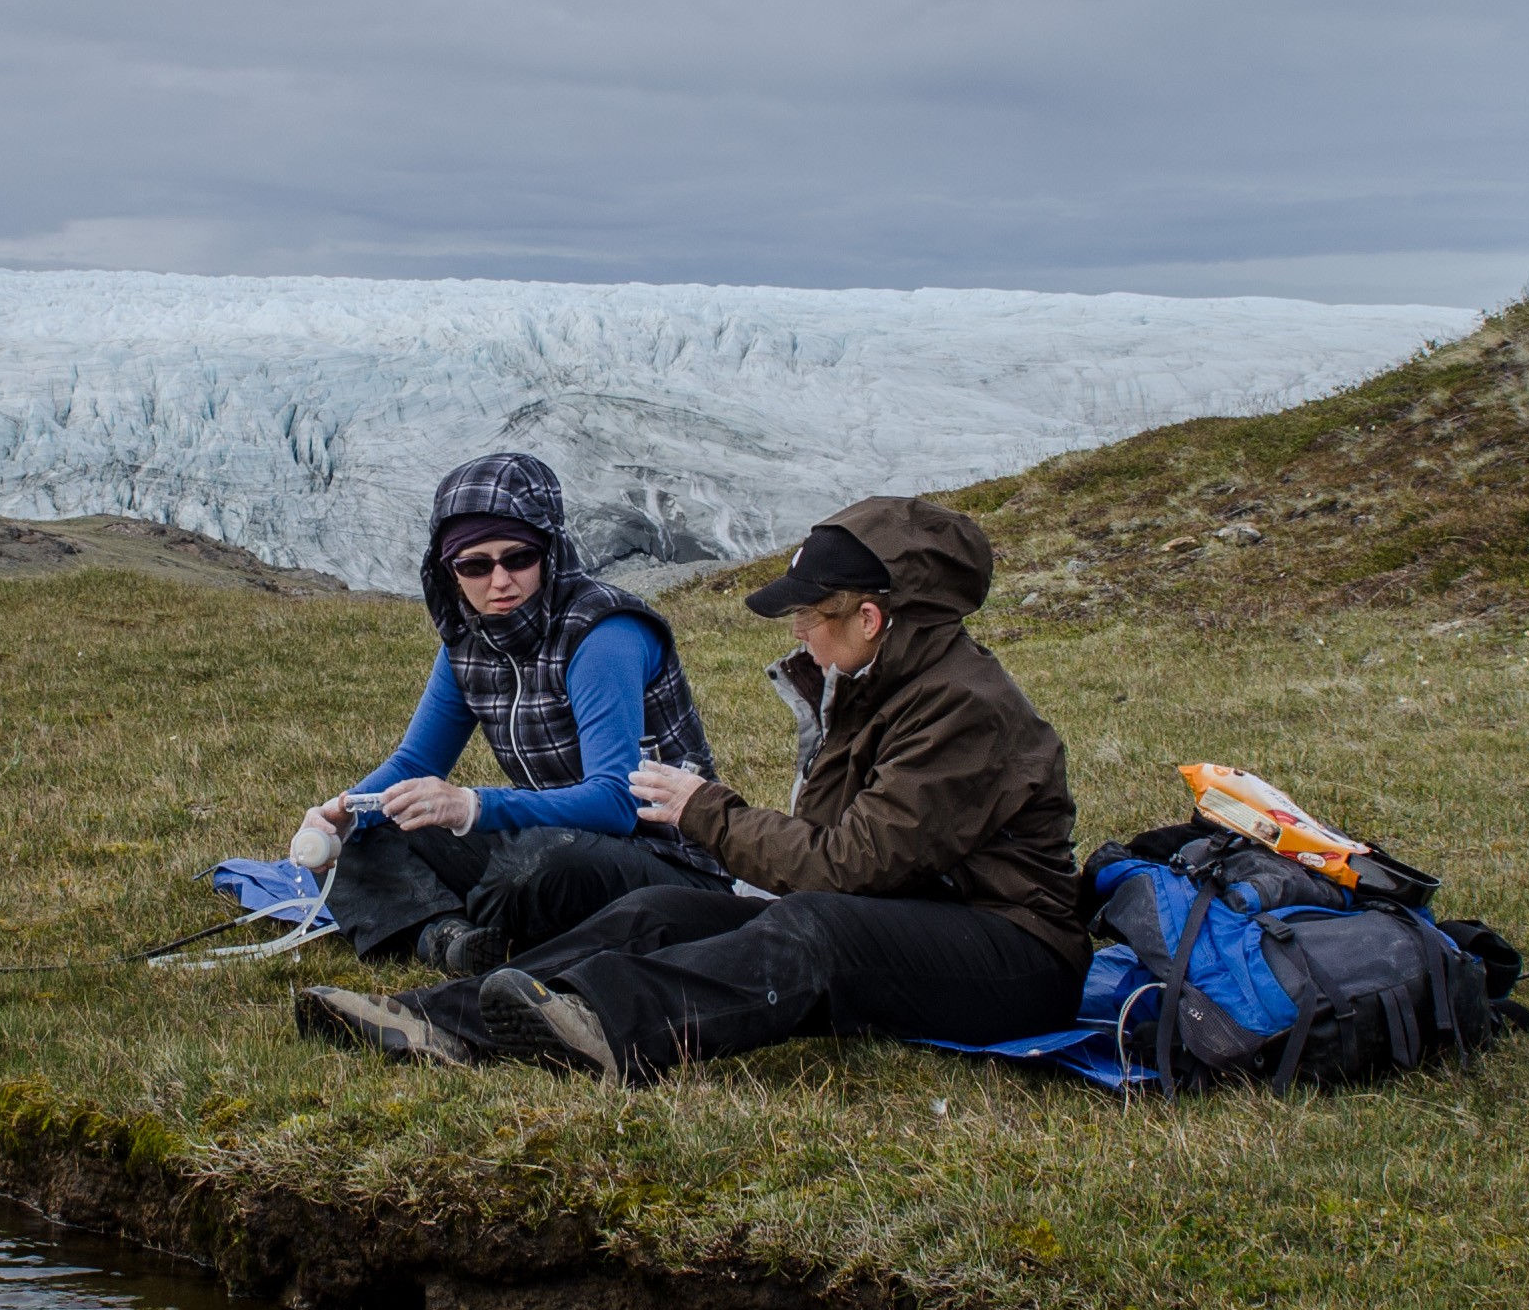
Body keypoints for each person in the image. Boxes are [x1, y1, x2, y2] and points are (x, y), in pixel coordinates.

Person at [293, 495, 1083, 1083]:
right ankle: (440, 1018)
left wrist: (706, 810)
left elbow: (845, 868)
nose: (797, 632)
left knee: (815, 929)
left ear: (870, 617)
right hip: (916, 916)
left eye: (809, 615)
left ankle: (608, 1027)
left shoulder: (962, 709)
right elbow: (838, 850)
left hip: (1015, 952)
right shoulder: (876, 683)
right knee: (658, 909)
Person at [299, 452, 729, 975]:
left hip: (668, 864)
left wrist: (474, 808)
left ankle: (460, 922)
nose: (499, 581)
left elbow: (618, 802)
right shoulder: (468, 643)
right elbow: (415, 760)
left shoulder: (604, 633)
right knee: (370, 834)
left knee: (535, 869)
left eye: (518, 558)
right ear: (450, 572)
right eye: (475, 565)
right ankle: (445, 938)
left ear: (549, 552)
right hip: (553, 839)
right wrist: (341, 815)